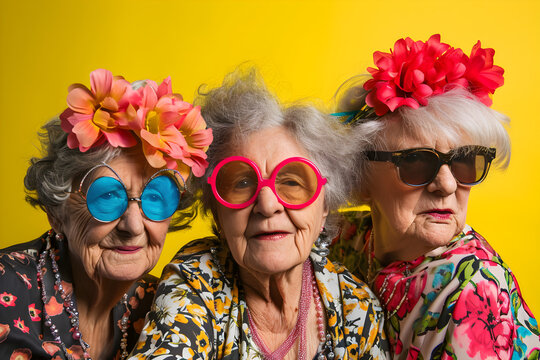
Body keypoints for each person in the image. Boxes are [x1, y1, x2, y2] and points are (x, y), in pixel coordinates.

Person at [129, 69, 390, 359]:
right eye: (241, 183)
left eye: (292, 182)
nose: (268, 205)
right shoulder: (195, 280)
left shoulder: (356, 306)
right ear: (216, 211)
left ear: (325, 204)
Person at [330, 34, 540, 359]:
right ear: (361, 175)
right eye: (416, 161)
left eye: (465, 162)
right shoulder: (344, 238)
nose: (447, 185)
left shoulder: (474, 291)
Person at [0, 69, 213, 359]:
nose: (134, 225)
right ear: (57, 212)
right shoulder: (7, 286)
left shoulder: (162, 304)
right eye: (108, 196)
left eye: (155, 196)